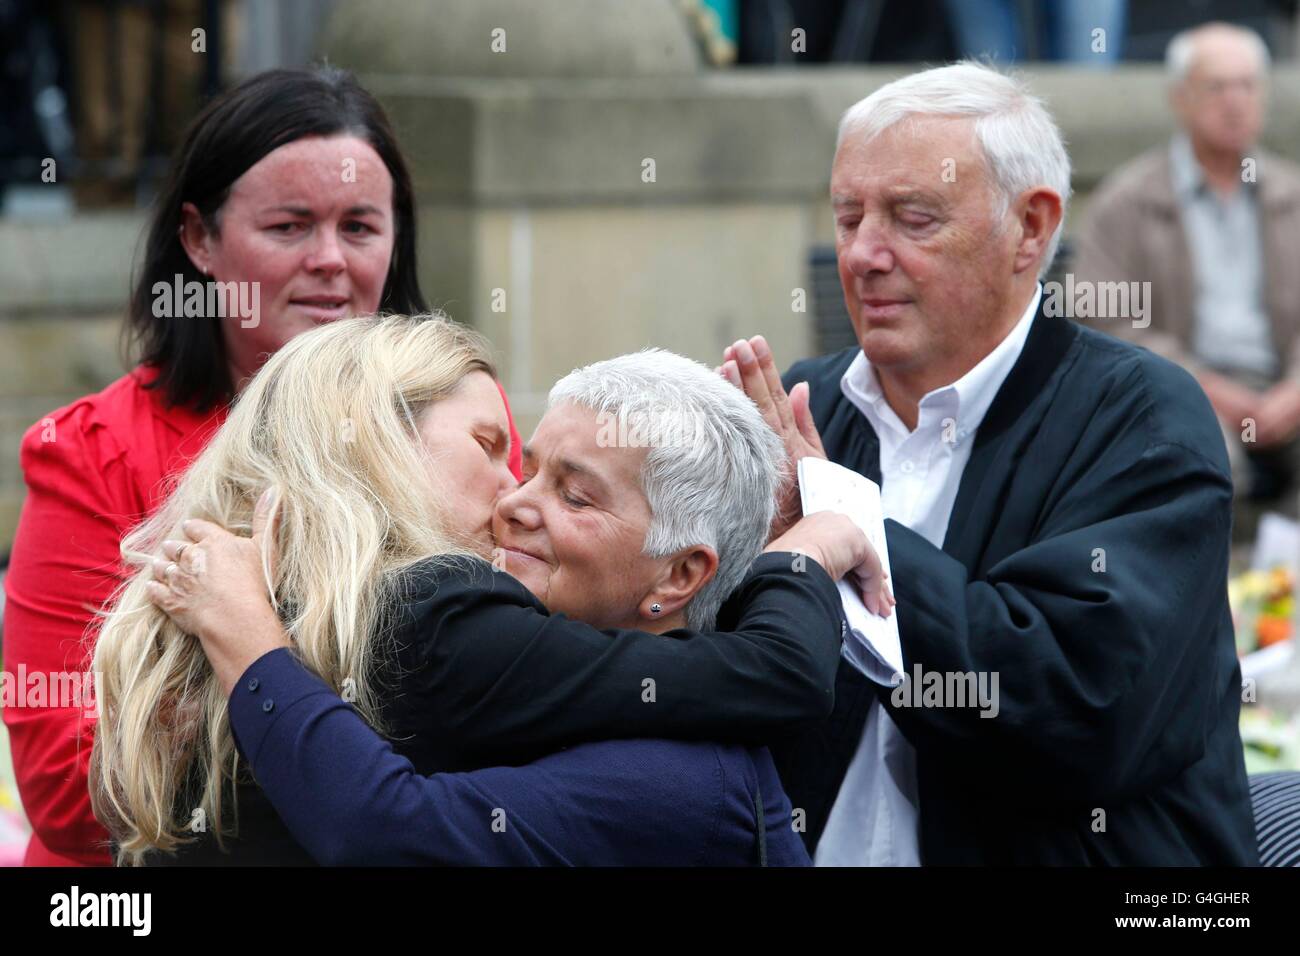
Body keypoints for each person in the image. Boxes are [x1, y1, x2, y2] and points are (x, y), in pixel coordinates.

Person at [92, 314, 889, 866]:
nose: (513, 497)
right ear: (374, 440)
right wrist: (813, 546)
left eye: (572, 495)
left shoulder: (327, 624)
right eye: (505, 453)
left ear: (680, 574)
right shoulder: (420, 615)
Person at [721, 61, 1257, 864]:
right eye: (847, 216)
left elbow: (1071, 709)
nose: (864, 254)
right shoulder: (801, 407)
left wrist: (839, 521)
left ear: (1032, 228)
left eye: (912, 217)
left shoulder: (1141, 413)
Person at [2, 66, 524, 867]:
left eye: (360, 227)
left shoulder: (464, 422)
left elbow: (524, 685)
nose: (329, 260)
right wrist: (343, 767)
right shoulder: (89, 450)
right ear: (199, 240)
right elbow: (66, 789)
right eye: (289, 227)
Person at [1074, 23, 1300, 520]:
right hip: (1180, 388)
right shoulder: (1127, 200)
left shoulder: (1290, 192)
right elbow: (1100, 317)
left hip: (1283, 386)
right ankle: (1219, 592)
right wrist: (1205, 385)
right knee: (1199, 449)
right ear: (1180, 98)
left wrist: (1294, 389)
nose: (1235, 101)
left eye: (1247, 85)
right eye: (1217, 86)